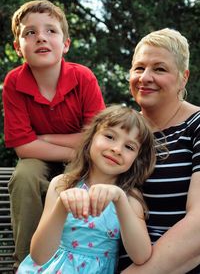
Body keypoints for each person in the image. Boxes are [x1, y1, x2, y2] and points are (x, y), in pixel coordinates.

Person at [2, 0, 105, 269]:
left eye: (51, 31)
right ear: (17, 47)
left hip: (81, 158)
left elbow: (96, 137)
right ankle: (27, 263)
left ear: (66, 44)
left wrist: (43, 138)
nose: (41, 38)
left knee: (82, 177)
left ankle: (74, 262)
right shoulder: (14, 82)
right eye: (30, 32)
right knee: (24, 175)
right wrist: (73, 145)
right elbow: (24, 149)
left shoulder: (83, 77)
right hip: (40, 159)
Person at [16, 104, 156, 274]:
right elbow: (39, 256)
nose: (116, 149)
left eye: (129, 147)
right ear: (90, 139)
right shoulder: (61, 185)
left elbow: (141, 256)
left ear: (137, 159)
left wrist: (119, 199)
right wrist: (62, 206)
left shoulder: (129, 200)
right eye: (110, 136)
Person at [118, 28, 200, 274]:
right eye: (139, 68)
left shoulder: (196, 124)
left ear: (183, 77)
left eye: (160, 69)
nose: (145, 77)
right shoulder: (120, 132)